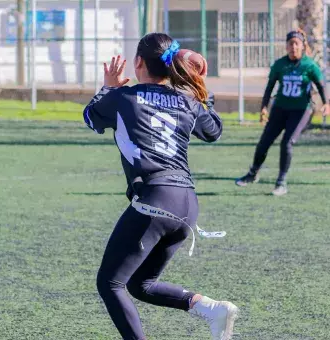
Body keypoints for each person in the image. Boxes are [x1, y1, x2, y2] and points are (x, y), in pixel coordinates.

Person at [83, 33, 238, 340]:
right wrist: (198, 89)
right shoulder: (187, 101)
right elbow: (214, 131)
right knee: (140, 284)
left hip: (155, 200)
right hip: (187, 204)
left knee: (110, 284)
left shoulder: (124, 98)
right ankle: (210, 308)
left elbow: (91, 118)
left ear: (138, 62)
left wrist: (108, 87)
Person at [236, 29, 330, 196]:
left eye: (296, 43)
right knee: (264, 142)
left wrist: (326, 103)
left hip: (301, 110)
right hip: (280, 108)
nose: (293, 47)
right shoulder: (280, 64)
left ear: (302, 45)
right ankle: (252, 174)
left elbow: (321, 86)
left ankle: (281, 182)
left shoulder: (310, 65)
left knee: (287, 143)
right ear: (286, 46)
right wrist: (264, 106)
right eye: (290, 43)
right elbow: (270, 87)